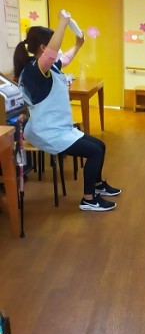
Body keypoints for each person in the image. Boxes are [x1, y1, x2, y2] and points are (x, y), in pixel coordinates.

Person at [13, 14, 120, 212]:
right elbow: (52, 55)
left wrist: (78, 44)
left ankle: (97, 185)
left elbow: (64, 59)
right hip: (47, 132)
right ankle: (89, 199)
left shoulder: (48, 67)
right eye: (55, 43)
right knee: (95, 152)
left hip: (59, 127)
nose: (58, 49)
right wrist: (63, 23)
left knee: (100, 145)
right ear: (44, 48)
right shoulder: (35, 70)